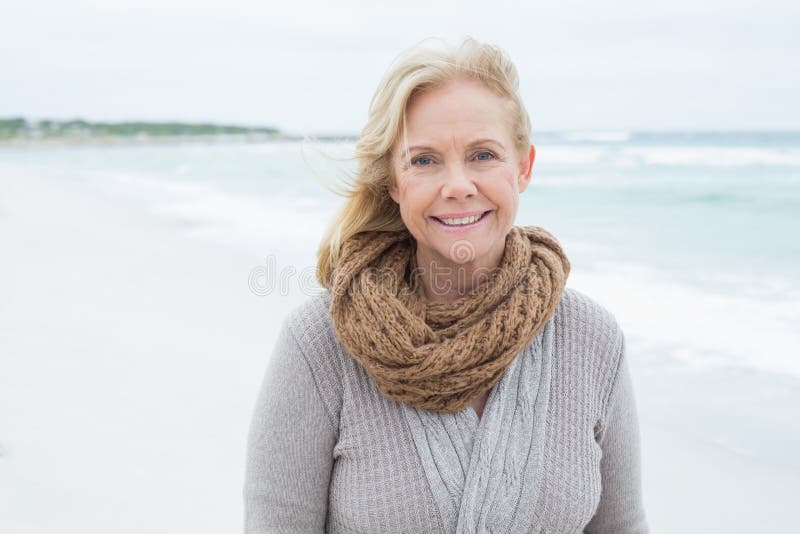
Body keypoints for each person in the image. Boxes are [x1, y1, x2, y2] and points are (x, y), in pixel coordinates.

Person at [244, 37, 649, 533]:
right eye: (424, 160)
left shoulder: (590, 340)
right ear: (393, 181)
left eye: (483, 155)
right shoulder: (321, 343)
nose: (457, 184)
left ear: (523, 167)